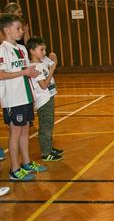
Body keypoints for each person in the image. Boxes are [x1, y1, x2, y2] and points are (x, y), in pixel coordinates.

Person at [0, 14, 47, 181]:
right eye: (17, 28)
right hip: (13, 99)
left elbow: (25, 70)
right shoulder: (3, 50)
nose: (21, 31)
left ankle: (26, 163)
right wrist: (24, 72)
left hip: (26, 97)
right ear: (6, 30)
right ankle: (14, 169)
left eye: (21, 28)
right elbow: (1, 74)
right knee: (15, 132)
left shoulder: (21, 49)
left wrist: (31, 72)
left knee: (25, 130)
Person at [26, 37, 64, 162]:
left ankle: (49, 147)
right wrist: (52, 70)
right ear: (32, 51)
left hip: (49, 98)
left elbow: (53, 61)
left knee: (49, 125)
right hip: (43, 100)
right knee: (45, 127)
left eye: (44, 49)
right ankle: (46, 153)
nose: (44, 52)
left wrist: (54, 58)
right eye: (41, 49)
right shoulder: (35, 67)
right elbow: (43, 85)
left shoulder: (42, 62)